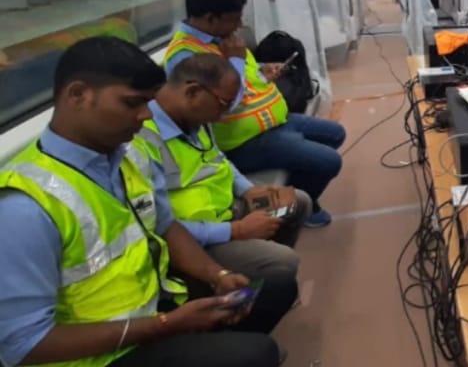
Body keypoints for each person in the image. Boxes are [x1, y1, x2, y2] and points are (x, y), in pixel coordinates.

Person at [0, 37, 281, 367]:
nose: (146, 116)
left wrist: (216, 274)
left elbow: (165, 226)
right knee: (256, 355)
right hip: (96, 357)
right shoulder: (25, 208)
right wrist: (165, 326)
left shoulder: (129, 156)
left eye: (148, 103)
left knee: (273, 287)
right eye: (132, 103)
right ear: (77, 95)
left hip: (152, 310)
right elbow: (24, 344)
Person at [138, 54, 311, 333]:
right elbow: (161, 226)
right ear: (193, 92)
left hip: (228, 211)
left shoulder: (196, 119)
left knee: (296, 203)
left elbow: (219, 160)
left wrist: (250, 190)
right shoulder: (143, 140)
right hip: (197, 238)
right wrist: (237, 230)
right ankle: (243, 320)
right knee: (283, 263)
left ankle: (257, 291)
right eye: (222, 105)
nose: (224, 115)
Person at [165, 0, 345, 227]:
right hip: (241, 141)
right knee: (329, 161)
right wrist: (237, 61)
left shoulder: (223, 39)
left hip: (271, 123)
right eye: (233, 19)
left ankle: (297, 187)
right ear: (210, 18)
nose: (239, 25)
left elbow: (245, 75)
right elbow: (223, 103)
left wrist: (262, 70)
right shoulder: (186, 56)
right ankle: (303, 206)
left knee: (335, 134)